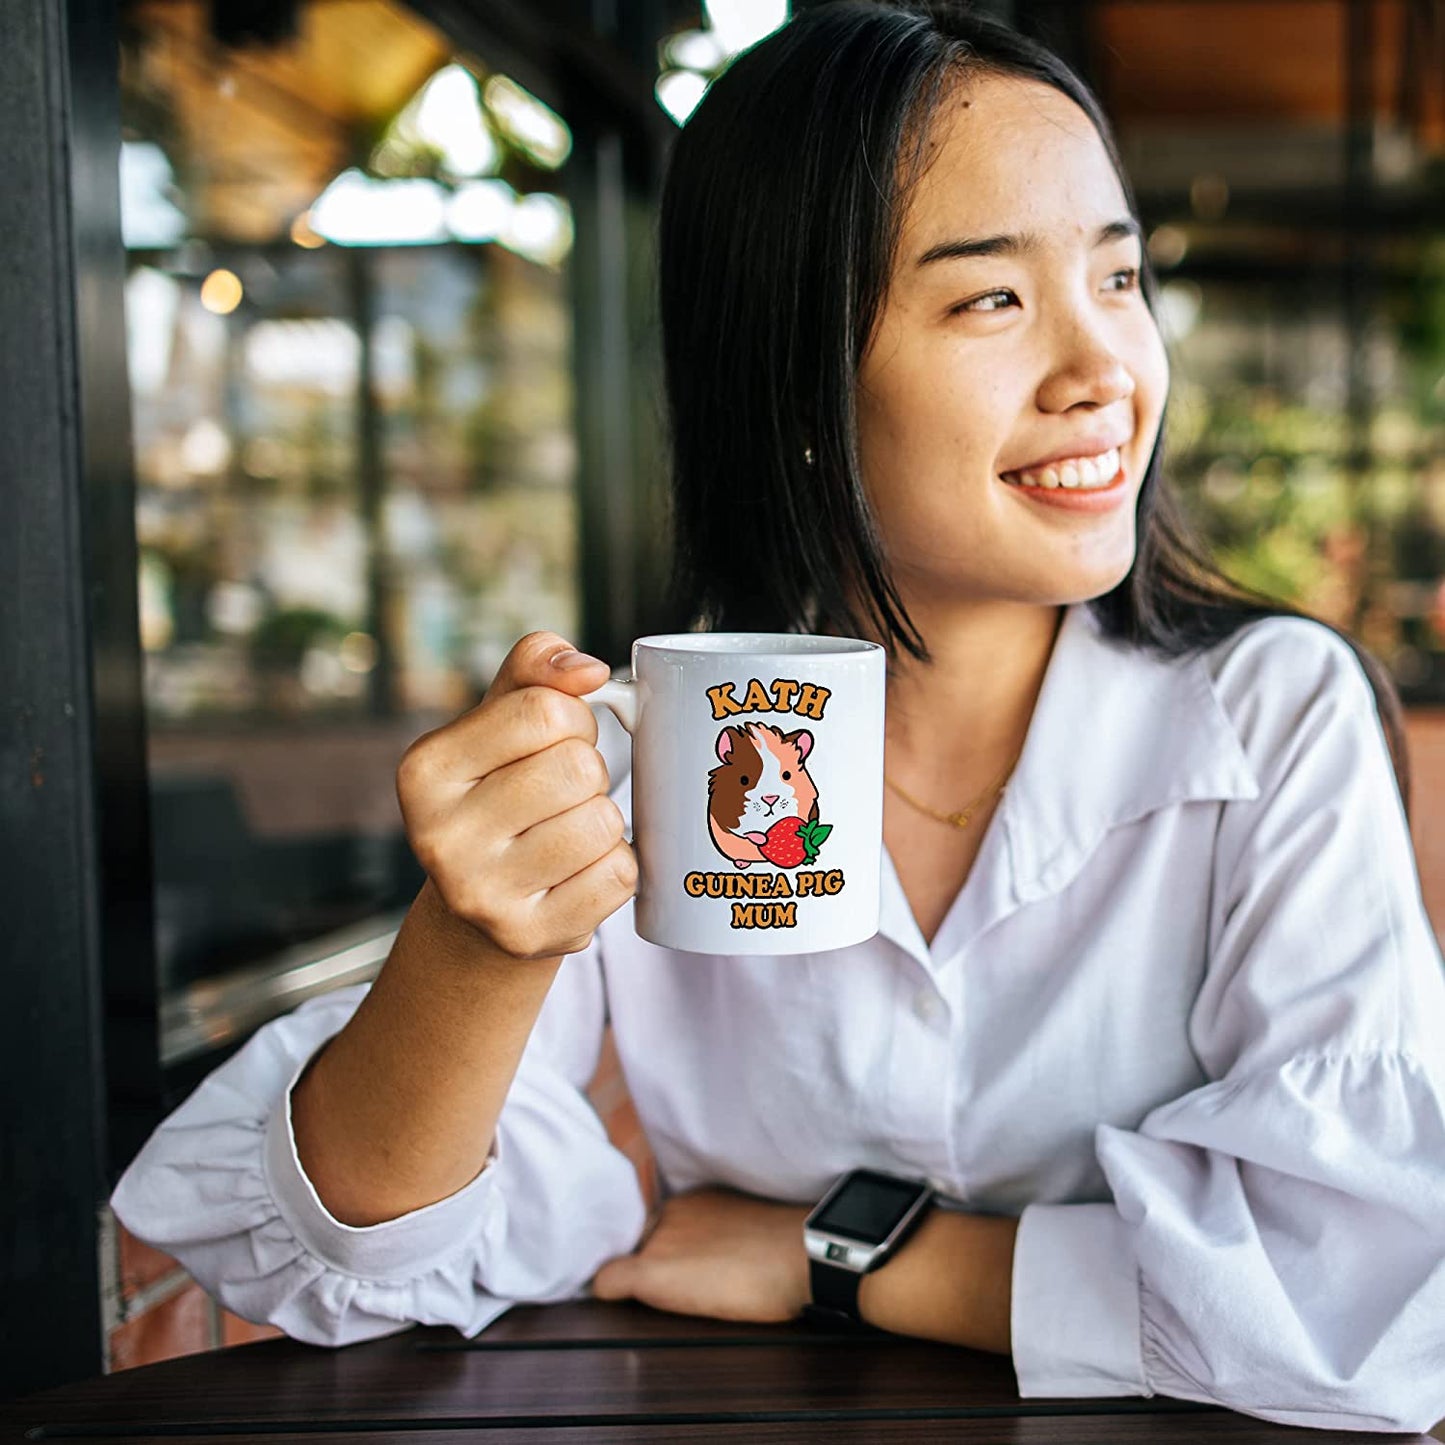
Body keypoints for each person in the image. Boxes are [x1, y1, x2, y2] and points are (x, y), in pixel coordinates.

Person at [110, 2, 1445, 1432]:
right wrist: (479, 939)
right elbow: (337, 1261)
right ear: (797, 378)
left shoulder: (1263, 717)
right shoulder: (662, 741)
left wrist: (854, 1255)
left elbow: (1368, 1288)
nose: (1102, 369)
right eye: (990, 297)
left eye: (1117, 278)